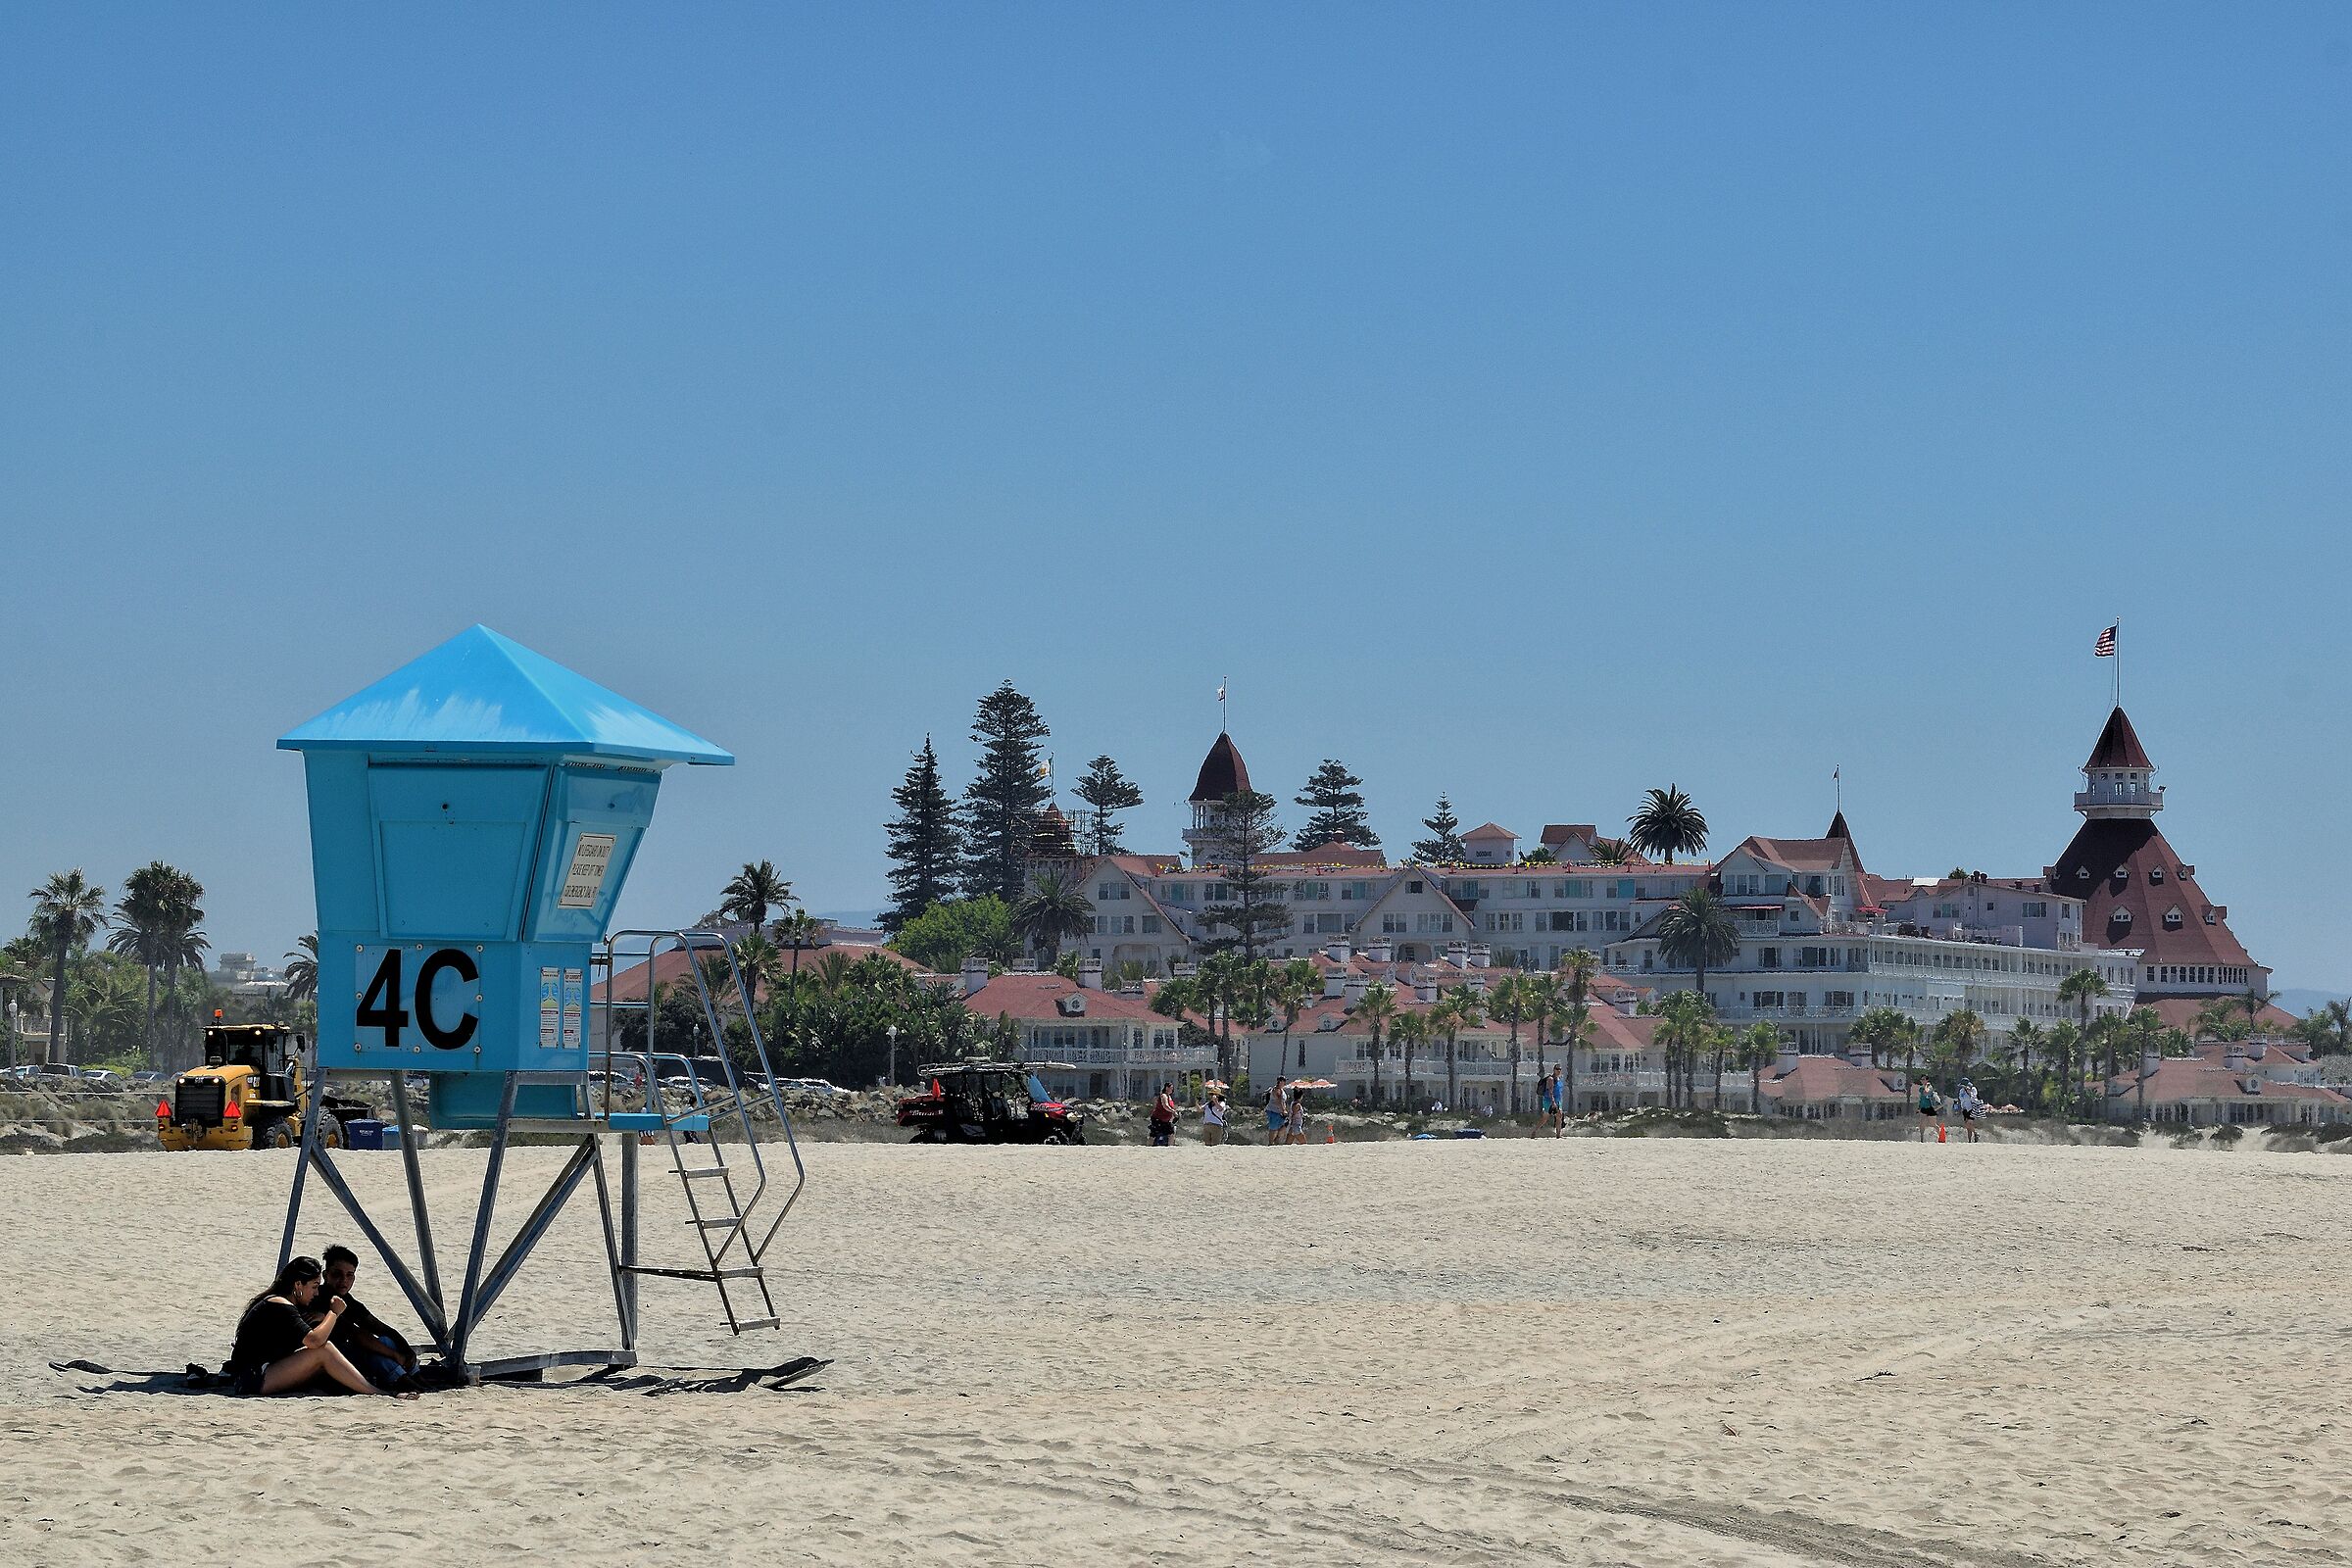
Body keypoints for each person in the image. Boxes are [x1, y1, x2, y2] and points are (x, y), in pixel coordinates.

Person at [224, 1254, 416, 1398]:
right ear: (299, 1285)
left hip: (258, 1375)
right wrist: (333, 1312)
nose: (316, 1293)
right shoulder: (280, 1304)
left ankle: (374, 1386)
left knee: (332, 1358)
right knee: (324, 1350)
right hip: (252, 1379)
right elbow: (315, 1340)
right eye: (314, 1286)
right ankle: (378, 1393)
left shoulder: (285, 1303)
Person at [320, 1244, 419, 1389]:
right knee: (373, 1350)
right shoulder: (321, 1298)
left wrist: (406, 1349)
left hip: (345, 1357)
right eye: (337, 1274)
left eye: (349, 1275)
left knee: (387, 1340)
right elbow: (355, 1334)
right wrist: (395, 1355)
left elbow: (378, 1327)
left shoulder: (348, 1300)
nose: (344, 1280)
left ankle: (415, 1376)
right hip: (331, 1359)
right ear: (325, 1275)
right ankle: (409, 1383)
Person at [1149, 1083, 1177, 1147]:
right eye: (1171, 1088)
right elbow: (1165, 1106)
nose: (1172, 1089)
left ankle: (1170, 1146)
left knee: (1171, 1132)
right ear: (1167, 1088)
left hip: (1166, 1120)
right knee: (1154, 1133)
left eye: (1172, 1088)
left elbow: (1171, 1107)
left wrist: (1174, 1113)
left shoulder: (1169, 1097)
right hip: (1158, 1118)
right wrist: (1173, 1111)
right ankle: (1149, 1146)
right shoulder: (1163, 1095)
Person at [1264, 1076, 1289, 1145]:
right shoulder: (1276, 1090)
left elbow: (1283, 1101)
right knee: (1273, 1128)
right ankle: (1271, 1142)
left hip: (1279, 1111)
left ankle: (1277, 1139)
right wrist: (1283, 1110)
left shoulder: (1282, 1090)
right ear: (1280, 1082)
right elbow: (1279, 1101)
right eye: (1284, 1081)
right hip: (1273, 1111)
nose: (1285, 1083)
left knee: (1284, 1124)